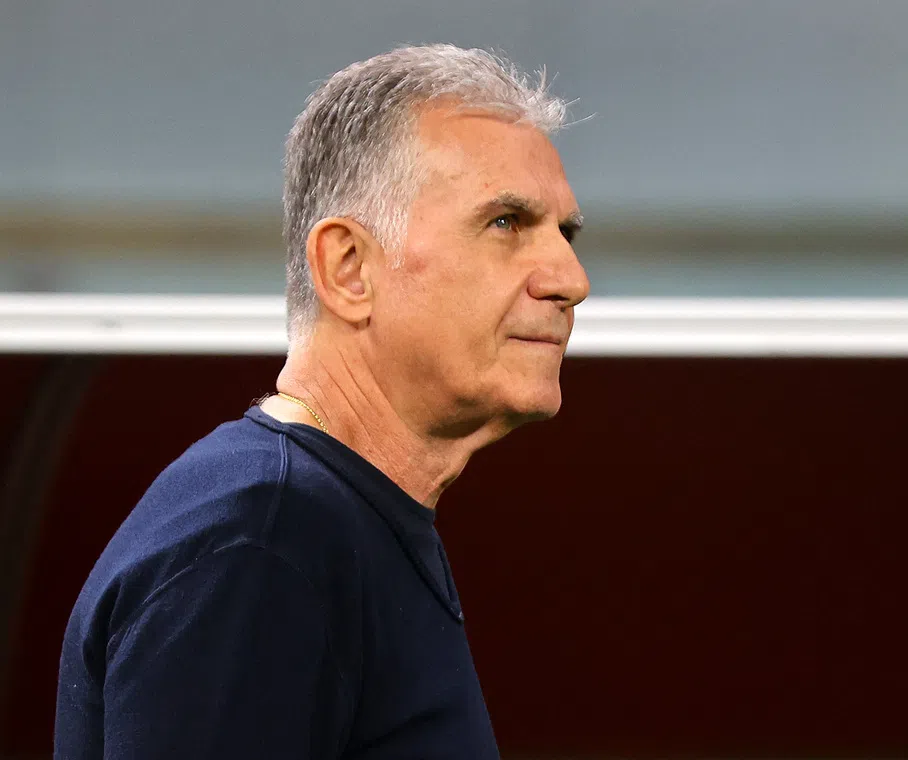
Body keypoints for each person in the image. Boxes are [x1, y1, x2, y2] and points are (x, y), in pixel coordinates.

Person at [54, 44, 589, 759]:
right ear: (348, 269)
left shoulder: (319, 520)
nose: (568, 278)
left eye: (566, 233)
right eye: (505, 224)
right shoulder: (261, 543)